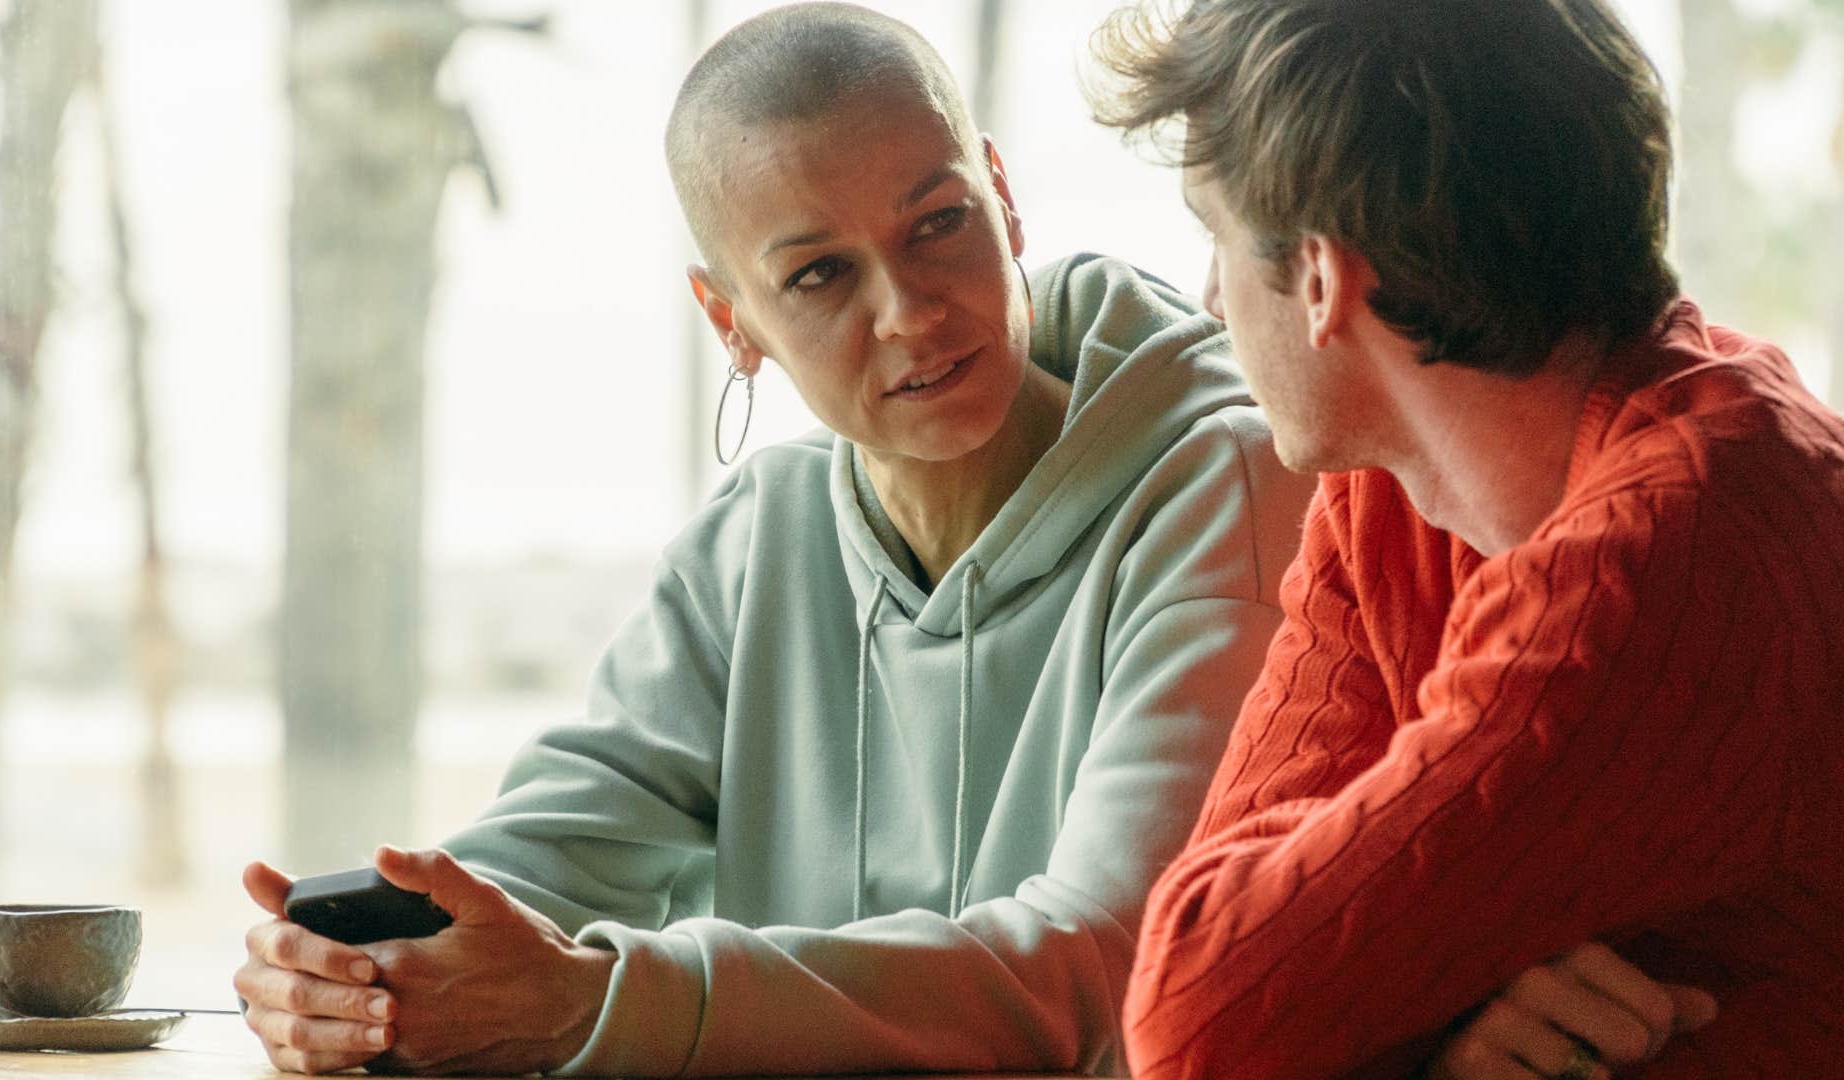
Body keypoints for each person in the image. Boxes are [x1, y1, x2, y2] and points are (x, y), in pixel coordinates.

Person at [232, 4, 1316, 1075]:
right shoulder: (756, 539)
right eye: (819, 274)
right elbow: (553, 851)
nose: (909, 312)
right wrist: (359, 976)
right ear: (732, 319)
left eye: (938, 221)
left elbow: (1107, 967)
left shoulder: (1227, 483)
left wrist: (596, 1002)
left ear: (1004, 195)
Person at [1092, 1, 1844, 1078]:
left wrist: (1384, 1006)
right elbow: (1218, 948)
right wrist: (1441, 1029)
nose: (1210, 299)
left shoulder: (1680, 545)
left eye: (1212, 234)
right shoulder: (1390, 481)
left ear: (1321, 277)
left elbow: (1199, 1018)